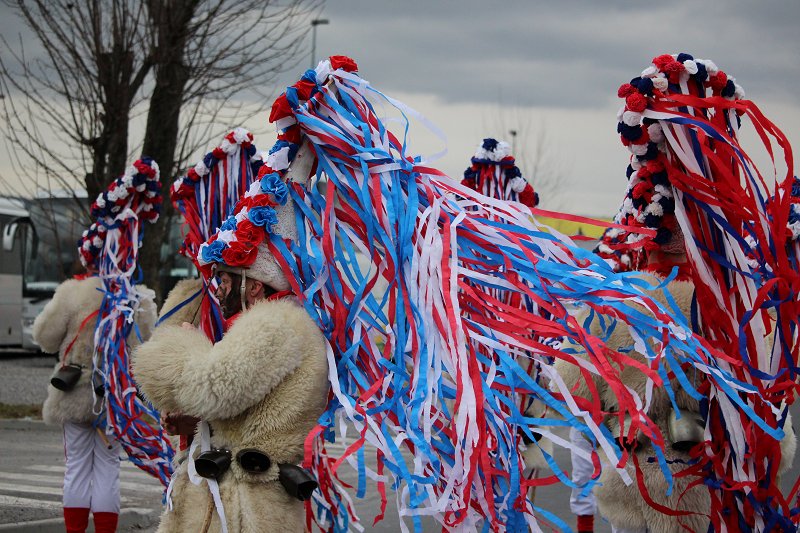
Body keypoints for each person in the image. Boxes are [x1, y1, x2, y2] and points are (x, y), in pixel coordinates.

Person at [558, 53, 798, 532]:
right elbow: (776, 433)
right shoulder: (734, 314)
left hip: (633, 490)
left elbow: (577, 394)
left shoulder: (616, 307)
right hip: (705, 499)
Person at [132, 147, 330, 531]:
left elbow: (214, 385)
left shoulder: (275, 323)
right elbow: (239, 404)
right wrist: (194, 416)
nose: (217, 289)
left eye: (224, 279)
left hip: (248, 508)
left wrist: (180, 344)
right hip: (237, 497)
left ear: (254, 285)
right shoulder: (271, 320)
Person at [34, 159, 161, 533]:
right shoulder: (136, 298)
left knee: (76, 465)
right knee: (107, 470)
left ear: (89, 254)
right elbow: (147, 345)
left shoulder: (73, 293)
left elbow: (44, 338)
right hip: (116, 397)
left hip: (74, 392)